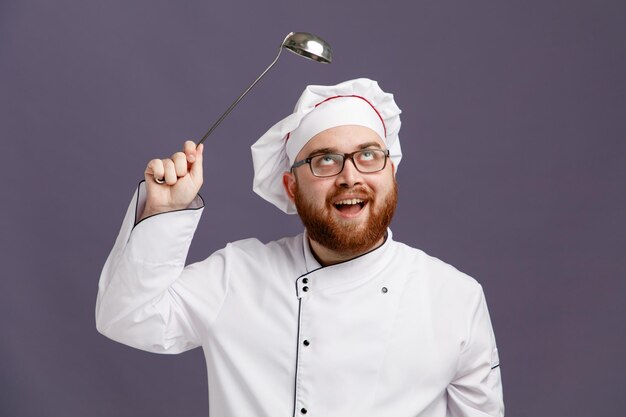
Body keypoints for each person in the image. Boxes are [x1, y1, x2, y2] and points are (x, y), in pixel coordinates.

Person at [96, 78, 504, 416]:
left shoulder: (455, 299)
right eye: (325, 161)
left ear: (390, 173)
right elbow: (126, 317)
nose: (349, 176)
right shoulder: (237, 276)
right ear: (291, 187)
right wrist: (162, 214)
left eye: (368, 155)